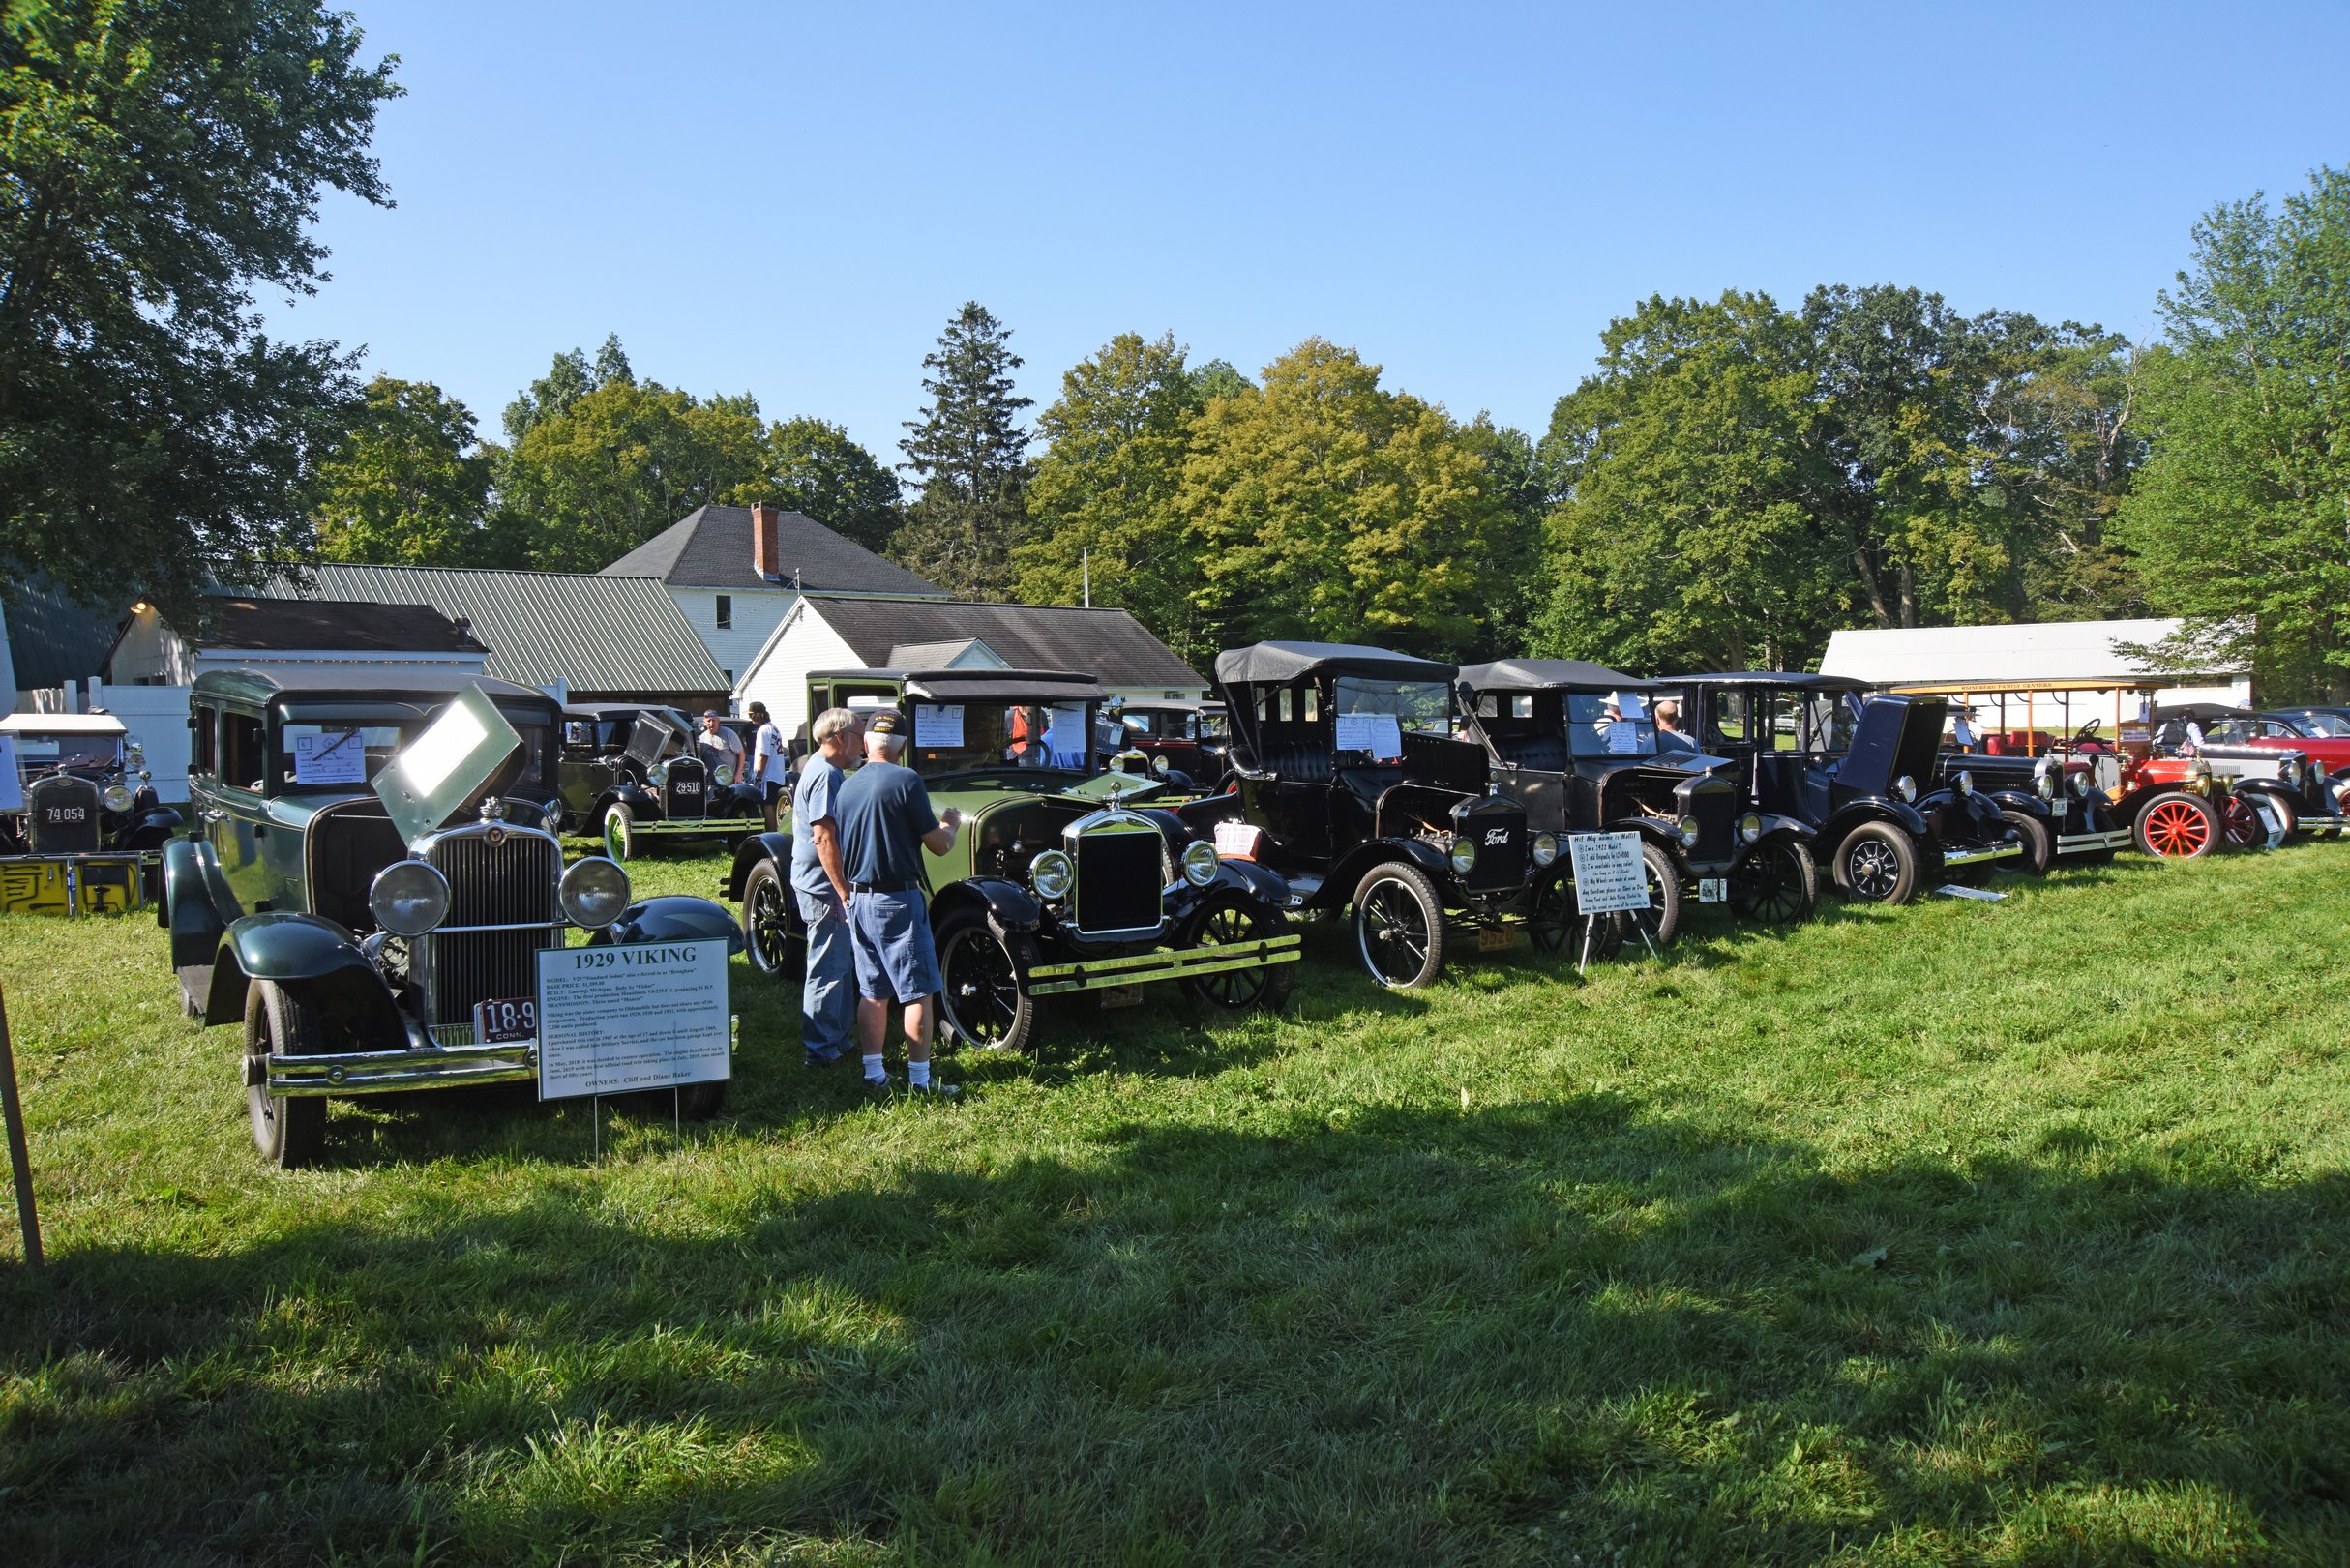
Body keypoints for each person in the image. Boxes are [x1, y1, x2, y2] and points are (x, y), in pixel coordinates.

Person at [836, 709, 966, 1098]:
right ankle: (920, 1081)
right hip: (898, 900)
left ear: (866, 743)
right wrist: (951, 824)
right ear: (903, 746)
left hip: (859, 898)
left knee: (872, 991)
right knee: (917, 991)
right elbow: (939, 846)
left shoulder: (847, 787)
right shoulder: (907, 780)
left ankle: (873, 1074)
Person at [790, 707, 863, 1067]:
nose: (863, 746)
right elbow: (823, 837)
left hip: (818, 883)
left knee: (838, 963)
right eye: (859, 737)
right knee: (827, 966)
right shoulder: (825, 775)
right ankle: (820, 1050)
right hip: (823, 887)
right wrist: (843, 889)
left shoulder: (823, 769)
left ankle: (837, 1038)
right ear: (840, 738)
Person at [748, 700, 788, 831]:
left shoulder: (763, 730)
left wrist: (759, 777)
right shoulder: (773, 728)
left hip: (768, 775)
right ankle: (774, 832)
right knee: (773, 804)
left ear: (757, 715)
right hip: (777, 774)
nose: (750, 717)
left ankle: (770, 833)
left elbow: (764, 755)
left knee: (768, 805)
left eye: (751, 714)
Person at [696, 710, 746, 784]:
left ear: (718, 721)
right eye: (709, 721)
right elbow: (703, 759)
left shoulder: (728, 734)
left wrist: (738, 774)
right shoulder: (703, 737)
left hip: (729, 778)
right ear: (704, 722)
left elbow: (741, 754)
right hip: (712, 779)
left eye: (714, 720)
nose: (711, 723)